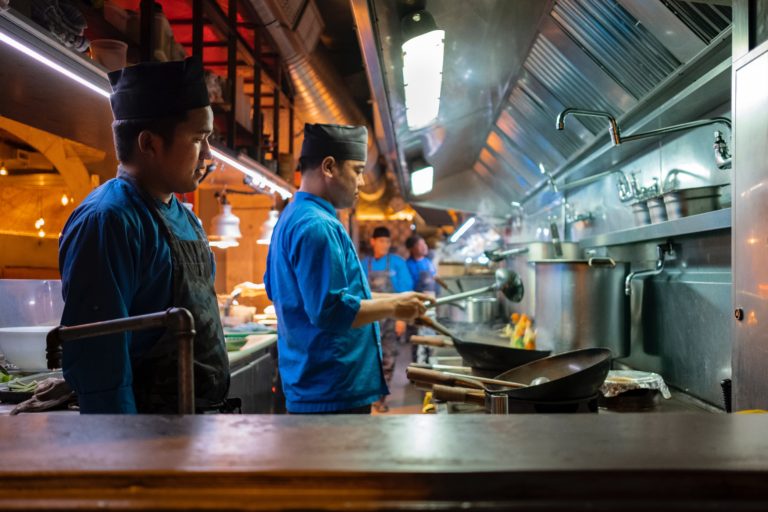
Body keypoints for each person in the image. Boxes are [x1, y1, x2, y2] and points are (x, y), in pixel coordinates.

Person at [58, 57, 230, 414]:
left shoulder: (187, 218)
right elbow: (99, 362)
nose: (209, 155)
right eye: (199, 139)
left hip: (194, 423)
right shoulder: (108, 221)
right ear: (149, 143)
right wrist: (125, 456)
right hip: (147, 435)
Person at [264, 123, 431, 414]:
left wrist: (398, 300)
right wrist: (393, 309)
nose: (363, 182)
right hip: (330, 390)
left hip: (317, 386)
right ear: (329, 167)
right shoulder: (317, 226)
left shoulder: (292, 217)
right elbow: (330, 310)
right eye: (357, 170)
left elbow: (339, 295)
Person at [360, 227, 414, 412]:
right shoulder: (363, 263)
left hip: (391, 319)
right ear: (373, 241)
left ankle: (381, 398)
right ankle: (370, 396)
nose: (385, 245)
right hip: (368, 320)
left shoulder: (397, 263)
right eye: (381, 241)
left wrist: (402, 319)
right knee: (369, 359)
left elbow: (405, 293)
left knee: (388, 359)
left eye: (388, 242)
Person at [405, 234, 440, 363]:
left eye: (424, 244)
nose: (425, 247)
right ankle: (418, 372)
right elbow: (407, 286)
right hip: (417, 305)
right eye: (421, 245)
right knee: (418, 339)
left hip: (431, 305)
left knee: (431, 336)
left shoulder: (428, 262)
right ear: (412, 248)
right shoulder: (408, 265)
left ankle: (430, 367)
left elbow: (435, 280)